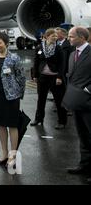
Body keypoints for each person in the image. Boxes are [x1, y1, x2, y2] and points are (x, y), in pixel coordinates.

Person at [0, 32, 26, 168]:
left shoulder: (14, 58)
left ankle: (13, 155)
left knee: (12, 125)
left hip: (11, 97)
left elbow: (21, 78)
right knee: (1, 125)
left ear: (6, 43)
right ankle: (4, 153)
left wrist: (19, 94)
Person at [64, 27, 91, 184]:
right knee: (82, 135)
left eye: (71, 36)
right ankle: (85, 165)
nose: (69, 39)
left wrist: (88, 89)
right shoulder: (73, 54)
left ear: (82, 37)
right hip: (77, 101)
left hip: (89, 100)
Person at [31, 28, 66, 128]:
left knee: (59, 100)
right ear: (46, 36)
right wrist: (35, 76)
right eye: (53, 36)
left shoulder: (58, 48)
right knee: (41, 99)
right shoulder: (39, 48)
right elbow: (36, 62)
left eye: (56, 36)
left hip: (55, 78)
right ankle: (38, 119)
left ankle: (62, 121)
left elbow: (62, 64)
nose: (55, 37)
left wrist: (59, 77)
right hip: (43, 77)